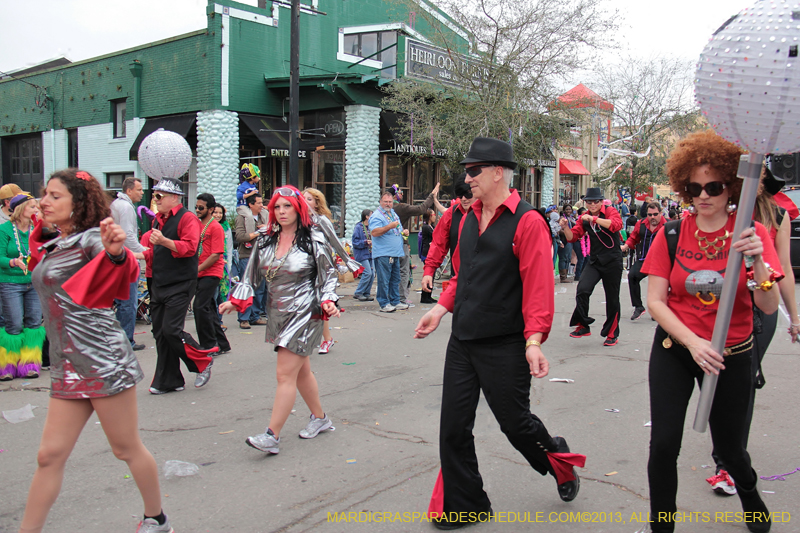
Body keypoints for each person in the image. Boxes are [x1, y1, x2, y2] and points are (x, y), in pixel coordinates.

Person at [414, 137, 584, 530]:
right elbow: (463, 276)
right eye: (467, 171)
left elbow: (539, 289)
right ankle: (467, 504)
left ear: (496, 172)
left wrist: (534, 341)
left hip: (506, 343)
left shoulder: (527, 222)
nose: (467, 178)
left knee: (516, 426)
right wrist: (440, 310)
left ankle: (557, 457)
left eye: (473, 171)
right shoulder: (467, 217)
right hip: (463, 339)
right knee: (453, 427)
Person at [641, 130, 779, 533]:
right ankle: (661, 525)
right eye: (694, 187)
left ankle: (750, 494)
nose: (704, 195)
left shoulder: (751, 233)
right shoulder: (671, 232)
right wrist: (693, 341)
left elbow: (768, 306)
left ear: (731, 187)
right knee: (664, 444)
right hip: (676, 348)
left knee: (731, 451)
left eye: (714, 186)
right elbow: (656, 302)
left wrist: (758, 265)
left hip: (731, 354)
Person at [20, 169, 172, 533]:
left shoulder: (92, 239)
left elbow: (125, 270)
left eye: (55, 195)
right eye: (45, 194)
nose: (45, 201)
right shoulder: (55, 241)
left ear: (79, 202)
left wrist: (117, 253)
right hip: (67, 364)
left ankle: (157, 519)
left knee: (126, 448)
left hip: (103, 360)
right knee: (49, 456)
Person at [220, 185, 339, 455]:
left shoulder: (313, 240)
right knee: (302, 372)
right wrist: (236, 300)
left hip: (306, 313)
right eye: (277, 206)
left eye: (287, 206)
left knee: (285, 373)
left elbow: (329, 275)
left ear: (298, 208)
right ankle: (320, 419)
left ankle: (271, 436)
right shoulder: (266, 240)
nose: (282, 211)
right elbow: (251, 275)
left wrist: (329, 300)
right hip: (277, 312)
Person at [706, 164, 800, 497]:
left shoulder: (777, 216)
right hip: (722, 305)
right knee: (717, 380)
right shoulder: (724, 210)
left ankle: (727, 466)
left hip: (761, 304)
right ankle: (728, 452)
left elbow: (784, 269)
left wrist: (794, 315)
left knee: (743, 383)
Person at [144, 178, 214, 395]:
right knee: (159, 333)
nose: (155, 200)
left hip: (181, 282)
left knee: (171, 330)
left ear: (174, 198)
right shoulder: (158, 220)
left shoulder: (188, 218)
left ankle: (203, 360)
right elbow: (155, 252)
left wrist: (164, 241)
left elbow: (191, 248)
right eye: (154, 195)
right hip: (160, 282)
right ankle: (169, 379)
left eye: (159, 196)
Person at [561, 187, 623, 346]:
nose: (593, 204)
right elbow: (573, 237)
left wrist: (593, 219)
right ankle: (583, 325)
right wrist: (565, 227)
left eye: (596, 201)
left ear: (601, 202)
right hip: (595, 260)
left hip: (612, 260)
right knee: (582, 289)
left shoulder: (610, 211)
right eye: (589, 201)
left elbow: (616, 225)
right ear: (585, 202)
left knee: (612, 298)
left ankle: (611, 334)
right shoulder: (583, 217)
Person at [303, 187, 362, 354]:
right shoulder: (298, 221)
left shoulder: (321, 220)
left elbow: (335, 242)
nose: (304, 201)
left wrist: (349, 262)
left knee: (321, 304)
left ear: (316, 203)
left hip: (321, 269)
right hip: (303, 270)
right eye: (303, 198)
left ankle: (326, 340)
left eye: (309, 199)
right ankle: (311, 339)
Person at [0, 193, 45, 381]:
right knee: (14, 323)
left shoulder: (38, 230)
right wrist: (12, 262)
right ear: (20, 210)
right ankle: (7, 366)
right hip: (10, 283)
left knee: (34, 322)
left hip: (33, 283)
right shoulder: (5, 230)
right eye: (32, 207)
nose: (36, 210)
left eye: (36, 207)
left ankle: (30, 365)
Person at [110, 177, 147, 352]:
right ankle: (126, 341)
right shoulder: (125, 207)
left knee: (121, 302)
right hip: (125, 260)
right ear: (129, 190)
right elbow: (128, 236)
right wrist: (144, 252)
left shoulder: (118, 205)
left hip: (118, 258)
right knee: (128, 302)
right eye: (139, 190)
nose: (142, 193)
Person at [389, 181, 440, 305]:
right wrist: (432, 195)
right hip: (400, 243)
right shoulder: (400, 207)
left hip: (389, 244)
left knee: (391, 272)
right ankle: (400, 298)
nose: (402, 195)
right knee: (403, 271)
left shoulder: (386, 210)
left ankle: (391, 298)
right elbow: (421, 208)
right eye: (400, 193)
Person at [422, 172, 475, 289]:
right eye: (460, 196)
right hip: (458, 277)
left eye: (468, 195)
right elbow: (438, 245)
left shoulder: (488, 213)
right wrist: (429, 271)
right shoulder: (452, 214)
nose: (464, 199)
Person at [193, 193, 231, 354]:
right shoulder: (196, 225)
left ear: (210, 209)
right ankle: (222, 344)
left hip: (212, 272)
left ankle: (209, 345)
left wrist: (197, 270)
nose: (197, 210)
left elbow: (216, 254)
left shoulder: (215, 227)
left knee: (199, 307)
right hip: (199, 272)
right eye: (196, 207)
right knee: (207, 308)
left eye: (200, 208)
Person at [621, 202, 664, 321]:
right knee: (632, 276)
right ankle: (638, 307)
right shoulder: (641, 224)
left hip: (661, 262)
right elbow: (633, 238)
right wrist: (625, 246)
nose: (652, 217)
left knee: (658, 285)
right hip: (644, 259)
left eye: (655, 214)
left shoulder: (667, 226)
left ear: (660, 213)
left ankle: (658, 310)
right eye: (650, 215)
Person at [369, 191, 409, 313]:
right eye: (385, 201)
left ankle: (395, 301)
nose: (388, 204)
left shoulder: (393, 214)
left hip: (395, 252)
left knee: (395, 279)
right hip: (383, 253)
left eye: (390, 202)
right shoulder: (376, 216)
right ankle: (384, 303)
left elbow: (398, 230)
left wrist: (404, 232)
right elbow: (374, 232)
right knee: (384, 280)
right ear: (380, 202)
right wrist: (388, 227)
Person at [234, 193, 269, 329]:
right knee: (246, 286)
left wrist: (267, 229)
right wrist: (257, 233)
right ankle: (244, 318)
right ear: (251, 204)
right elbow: (240, 236)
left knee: (259, 288)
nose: (262, 206)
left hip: (262, 255)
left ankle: (255, 316)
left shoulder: (264, 216)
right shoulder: (242, 218)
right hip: (247, 255)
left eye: (262, 203)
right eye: (259, 203)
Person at [351, 209, 375, 302]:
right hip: (361, 253)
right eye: (371, 216)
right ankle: (359, 292)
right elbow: (355, 242)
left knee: (372, 274)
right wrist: (365, 242)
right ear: (366, 217)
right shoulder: (358, 227)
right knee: (367, 272)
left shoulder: (371, 227)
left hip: (370, 253)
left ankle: (366, 293)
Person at [418, 208, 437, 303]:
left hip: (432, 252)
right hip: (427, 252)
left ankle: (429, 295)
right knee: (428, 274)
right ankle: (424, 296)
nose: (435, 217)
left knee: (432, 275)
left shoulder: (432, 226)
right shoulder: (426, 227)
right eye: (433, 215)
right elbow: (434, 236)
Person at [557, 204, 576, 283]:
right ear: (564, 210)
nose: (568, 211)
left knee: (568, 258)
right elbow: (558, 229)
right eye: (567, 209)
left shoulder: (571, 218)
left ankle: (566, 275)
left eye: (570, 209)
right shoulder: (562, 219)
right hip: (564, 240)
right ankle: (563, 277)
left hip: (570, 240)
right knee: (563, 258)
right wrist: (566, 232)